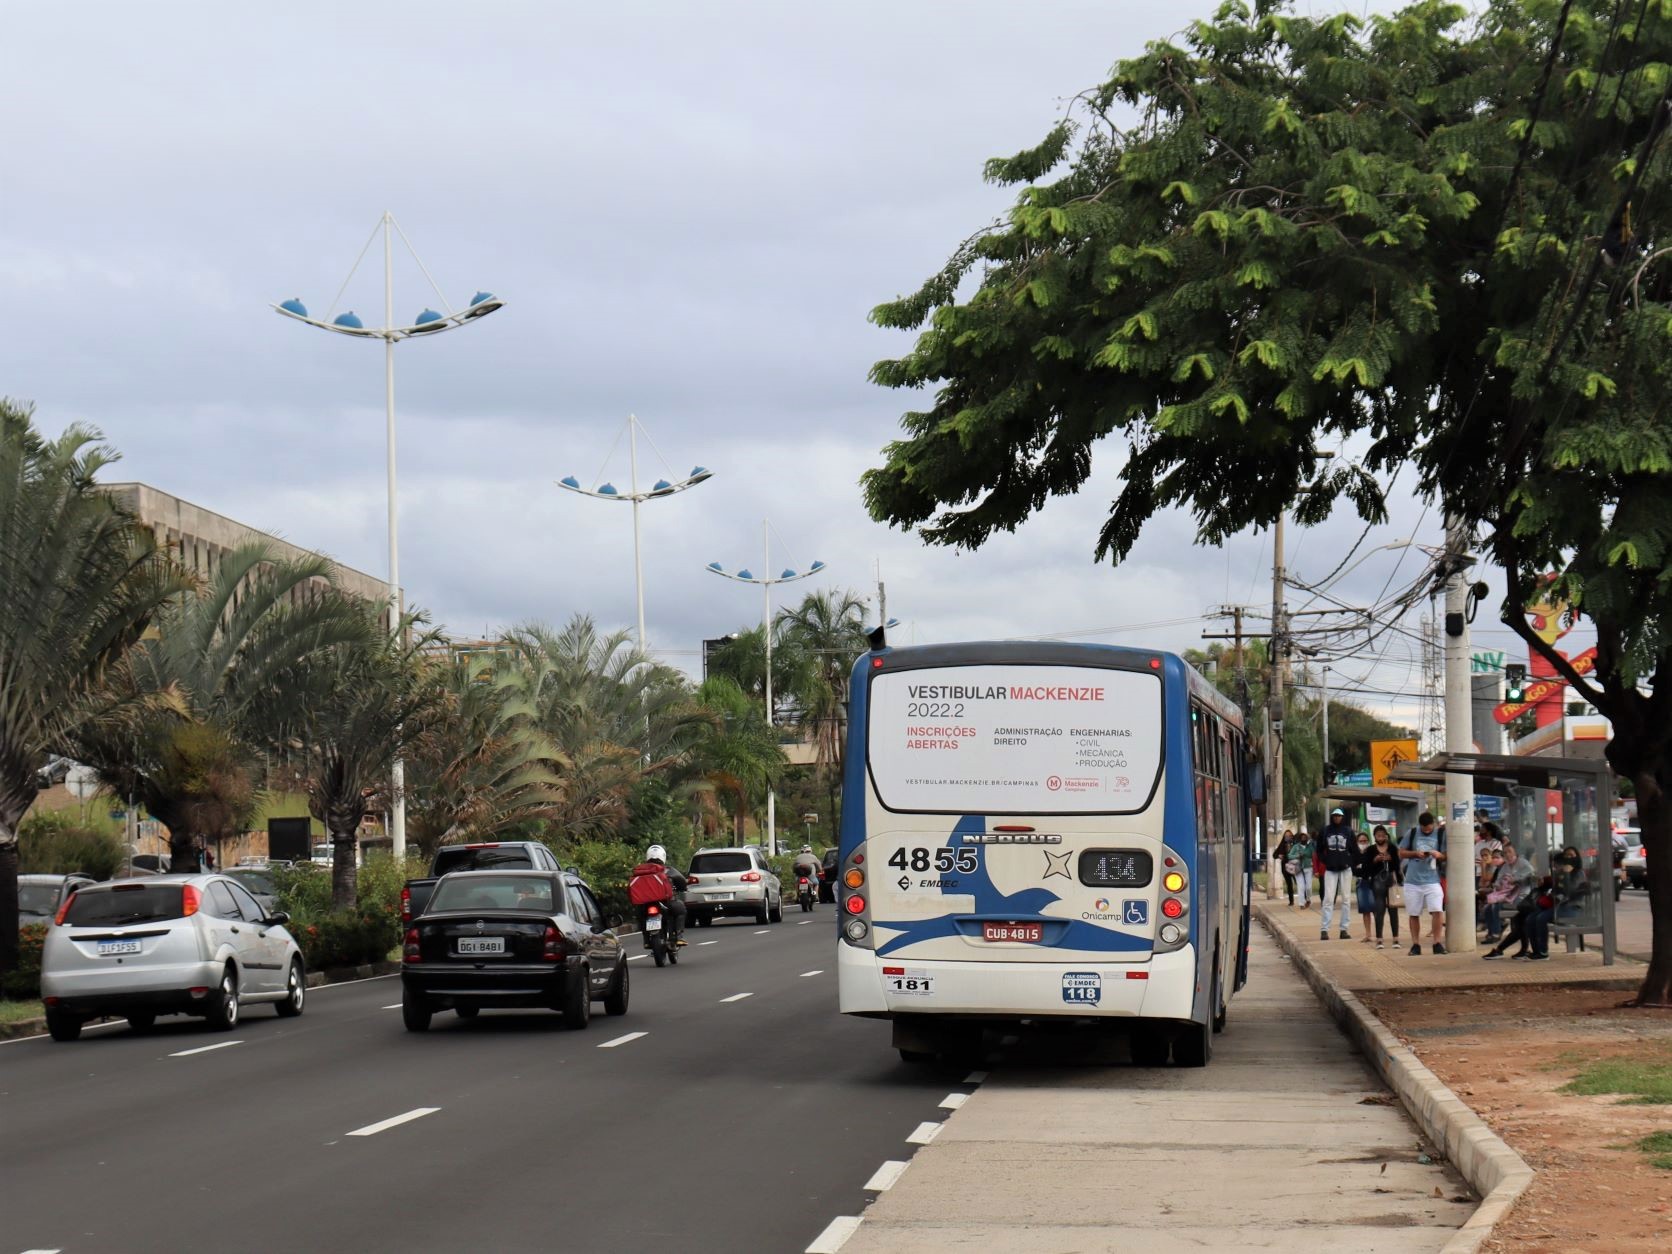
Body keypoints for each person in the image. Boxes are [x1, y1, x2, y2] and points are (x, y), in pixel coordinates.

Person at [1399, 811, 1448, 955]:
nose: (1426, 831)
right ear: (1420, 825)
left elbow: (1446, 855)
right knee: (1414, 913)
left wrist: (1440, 855)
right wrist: (1415, 853)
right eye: (1424, 829)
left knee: (1437, 910)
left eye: (1429, 829)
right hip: (1413, 880)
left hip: (1433, 879)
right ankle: (1415, 944)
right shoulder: (1413, 832)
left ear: (1433, 824)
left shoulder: (1440, 834)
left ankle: (1437, 942)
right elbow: (1401, 852)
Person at [1481, 843, 1537, 959]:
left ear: (1515, 852)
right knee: (1518, 924)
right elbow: (1499, 879)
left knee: (1519, 925)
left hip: (1522, 897)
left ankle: (1500, 945)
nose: (1507, 854)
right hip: (1508, 895)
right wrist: (1498, 885)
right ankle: (1515, 949)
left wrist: (1516, 880)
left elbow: (1531, 875)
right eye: (1505, 852)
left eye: (1509, 852)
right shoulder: (1505, 865)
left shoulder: (1523, 863)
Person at [631, 843, 688, 946]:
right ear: (663, 856)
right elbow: (682, 882)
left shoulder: (639, 870)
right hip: (666, 903)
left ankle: (646, 940)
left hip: (644, 905)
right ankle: (678, 936)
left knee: (641, 916)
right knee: (681, 910)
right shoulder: (668, 870)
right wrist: (683, 887)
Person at [1357, 825, 1402, 948]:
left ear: (1386, 836)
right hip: (1377, 881)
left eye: (1383, 835)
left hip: (1391, 880)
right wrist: (1375, 860)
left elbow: (1397, 866)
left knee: (1393, 909)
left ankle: (1396, 939)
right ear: (1375, 836)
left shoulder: (1392, 848)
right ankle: (1379, 939)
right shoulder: (1371, 850)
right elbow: (1366, 869)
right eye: (1378, 836)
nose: (1381, 838)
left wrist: (1390, 859)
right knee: (1379, 910)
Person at [1317, 807, 1356, 941]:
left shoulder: (1348, 831)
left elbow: (1354, 849)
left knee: (1346, 899)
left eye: (1339, 816)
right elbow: (1319, 849)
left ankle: (1344, 929)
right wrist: (1326, 860)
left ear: (1342, 817)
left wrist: (1349, 861)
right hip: (1330, 869)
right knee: (1328, 899)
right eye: (1335, 816)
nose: (1337, 818)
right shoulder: (1326, 831)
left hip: (1345, 869)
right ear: (1332, 817)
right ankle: (1324, 930)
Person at [1289, 830, 1315, 908]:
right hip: (1298, 868)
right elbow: (1289, 855)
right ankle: (1301, 903)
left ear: (1307, 838)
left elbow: (1313, 855)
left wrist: (1306, 854)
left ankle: (1308, 899)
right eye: (1302, 837)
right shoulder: (1296, 846)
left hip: (1308, 867)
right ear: (1300, 838)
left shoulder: (1310, 846)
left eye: (1305, 837)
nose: (1303, 838)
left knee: (1308, 887)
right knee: (1301, 886)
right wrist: (1297, 856)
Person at [1274, 830, 1298, 906]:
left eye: (1289, 836)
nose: (1287, 837)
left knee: (1299, 882)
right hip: (1285, 867)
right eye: (1286, 836)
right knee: (1289, 884)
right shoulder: (1282, 844)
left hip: (1295, 866)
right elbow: (1274, 855)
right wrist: (1279, 856)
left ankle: (1304, 899)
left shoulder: (1295, 844)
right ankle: (1291, 901)